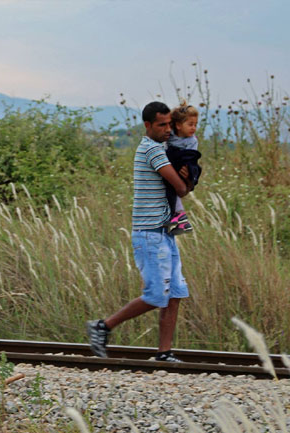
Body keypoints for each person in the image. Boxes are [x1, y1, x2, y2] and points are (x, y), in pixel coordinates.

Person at [86, 101, 192, 362]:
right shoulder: (152, 150)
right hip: (149, 233)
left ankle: (163, 353)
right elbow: (181, 188)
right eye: (161, 125)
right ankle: (103, 326)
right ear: (147, 126)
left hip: (166, 231)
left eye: (169, 124)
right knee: (157, 295)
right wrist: (187, 179)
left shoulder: (164, 148)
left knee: (176, 293)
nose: (167, 129)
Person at [164, 103, 202, 235]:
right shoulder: (170, 135)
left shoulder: (192, 141)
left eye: (195, 125)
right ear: (179, 125)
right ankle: (180, 219)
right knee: (169, 190)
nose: (194, 128)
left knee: (171, 188)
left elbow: (192, 158)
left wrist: (189, 174)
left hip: (185, 165)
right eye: (190, 124)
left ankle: (177, 218)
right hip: (173, 163)